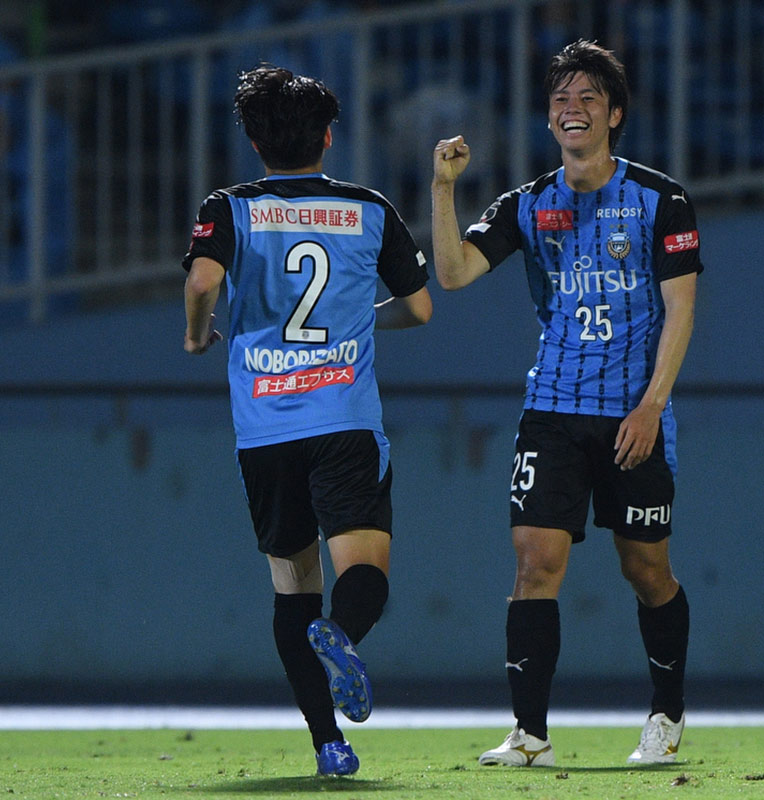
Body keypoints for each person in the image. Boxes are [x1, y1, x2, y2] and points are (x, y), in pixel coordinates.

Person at [430, 40, 700, 767]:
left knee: (646, 572)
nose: (571, 109)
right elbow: (453, 274)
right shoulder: (528, 204)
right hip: (551, 410)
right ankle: (530, 733)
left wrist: (651, 406)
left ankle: (666, 718)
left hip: (632, 415)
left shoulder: (660, 199)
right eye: (560, 99)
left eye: (587, 99)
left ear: (615, 114)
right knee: (533, 561)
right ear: (548, 119)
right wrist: (444, 187)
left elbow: (681, 313)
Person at [182, 65, 433, 777]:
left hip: (265, 431)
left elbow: (202, 283)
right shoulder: (369, 208)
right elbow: (419, 308)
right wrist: (361, 317)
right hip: (344, 421)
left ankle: (329, 744)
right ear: (329, 136)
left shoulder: (231, 206)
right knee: (366, 573)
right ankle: (342, 635)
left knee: (293, 586)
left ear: (254, 143)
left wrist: (199, 334)